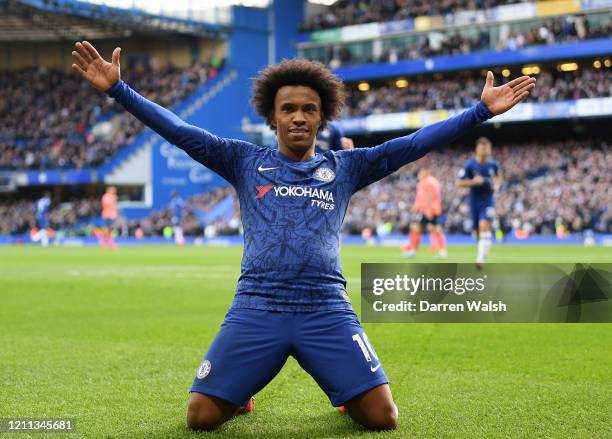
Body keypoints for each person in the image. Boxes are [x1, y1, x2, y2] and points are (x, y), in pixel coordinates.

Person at [71, 40, 534, 431]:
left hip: (326, 309)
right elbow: (179, 130)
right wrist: (119, 89)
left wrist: (478, 113)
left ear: (321, 118)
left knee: (382, 417)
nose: (298, 117)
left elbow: (412, 146)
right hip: (257, 305)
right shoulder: (242, 160)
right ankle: (240, 394)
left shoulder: (345, 167)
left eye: (309, 110)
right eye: (288, 109)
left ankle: (344, 388)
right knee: (201, 417)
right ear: (272, 117)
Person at [456, 137, 502, 268]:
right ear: (477, 149)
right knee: (477, 230)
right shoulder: (469, 165)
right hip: (474, 200)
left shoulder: (494, 164)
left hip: (488, 199)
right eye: (483, 148)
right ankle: (484, 245)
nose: (485, 150)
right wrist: (472, 182)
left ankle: (480, 258)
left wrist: (497, 185)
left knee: (484, 225)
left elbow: (499, 176)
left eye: (487, 148)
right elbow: (459, 182)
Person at [401, 168, 447, 258]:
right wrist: (416, 207)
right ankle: (413, 250)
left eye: (421, 173)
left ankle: (442, 250)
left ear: (427, 172)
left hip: (431, 210)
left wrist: (428, 209)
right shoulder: (422, 183)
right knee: (416, 228)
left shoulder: (430, 182)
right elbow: (420, 197)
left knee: (436, 229)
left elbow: (430, 196)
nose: (420, 175)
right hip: (424, 210)